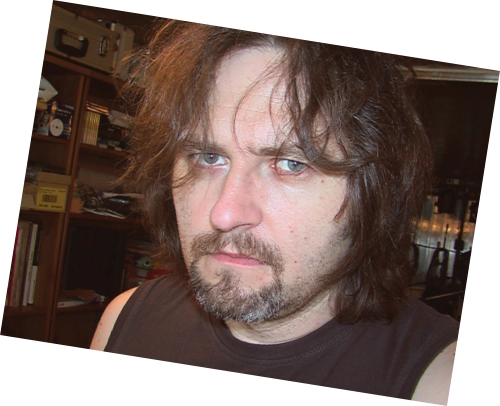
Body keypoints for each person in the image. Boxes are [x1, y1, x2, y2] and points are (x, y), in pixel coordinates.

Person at [91, 20, 459, 404]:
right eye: (208, 157)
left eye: (291, 164)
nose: (225, 213)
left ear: (373, 194)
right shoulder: (124, 320)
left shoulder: (440, 381)